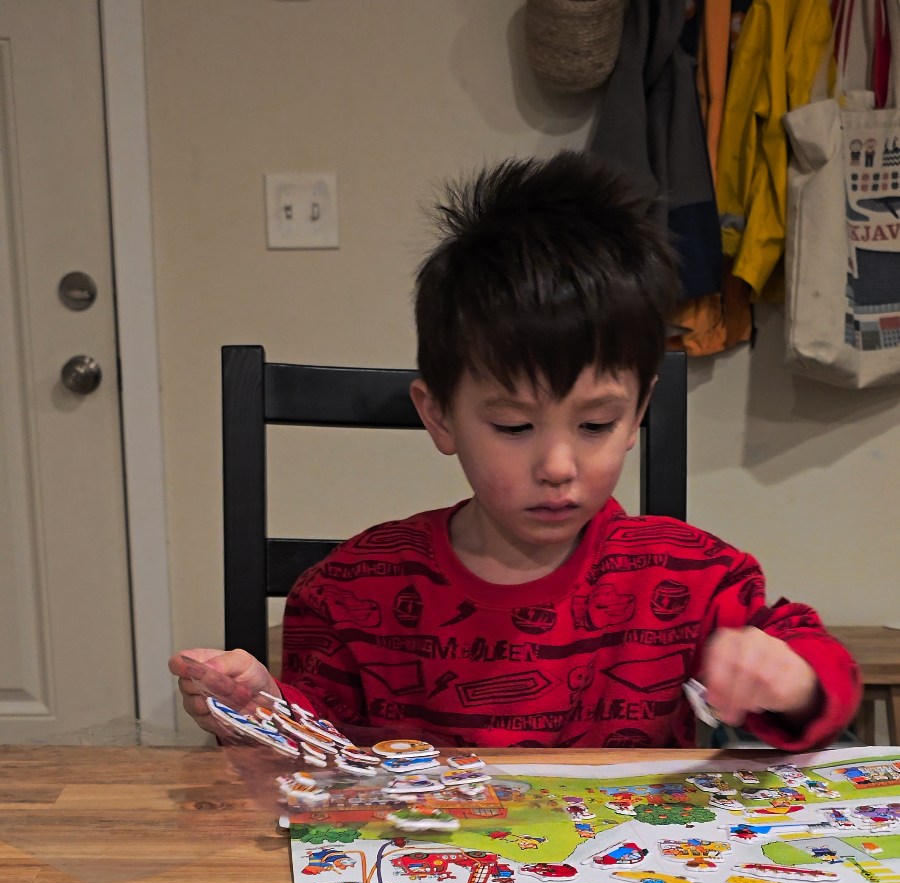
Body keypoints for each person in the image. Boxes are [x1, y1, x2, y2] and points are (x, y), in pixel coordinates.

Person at [171, 151, 860, 751]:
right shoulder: (351, 593)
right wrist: (261, 708)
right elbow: (316, 746)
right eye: (513, 426)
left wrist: (788, 677)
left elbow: (825, 679)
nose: (558, 466)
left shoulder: (692, 577)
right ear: (438, 415)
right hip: (427, 881)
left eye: (595, 426)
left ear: (638, 413)